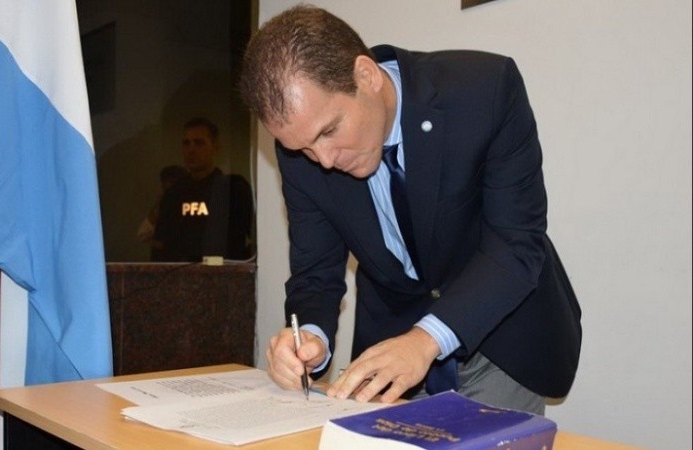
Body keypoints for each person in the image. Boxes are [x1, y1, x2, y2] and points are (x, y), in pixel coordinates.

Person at [239, 5, 581, 414]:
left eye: (329, 130)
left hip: (499, 335)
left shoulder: (484, 91)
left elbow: (515, 244)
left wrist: (425, 340)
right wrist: (310, 337)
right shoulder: (300, 152)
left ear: (366, 76)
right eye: (303, 148)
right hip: (389, 348)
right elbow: (315, 272)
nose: (324, 160)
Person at [151, 117, 254, 262]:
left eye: (199, 143)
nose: (191, 150)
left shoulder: (233, 189)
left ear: (215, 147)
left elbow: (248, 239)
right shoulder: (174, 193)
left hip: (225, 271)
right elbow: (161, 245)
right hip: (179, 271)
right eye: (186, 143)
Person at [136, 164, 188, 259]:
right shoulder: (162, 204)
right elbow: (143, 234)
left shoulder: (187, 206)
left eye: (171, 182)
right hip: (162, 259)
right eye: (164, 183)